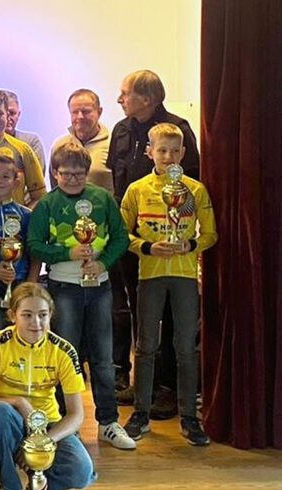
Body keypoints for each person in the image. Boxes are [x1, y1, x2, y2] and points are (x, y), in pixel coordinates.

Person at [26, 143, 134, 450]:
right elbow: (34, 244)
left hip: (99, 287)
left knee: (103, 358)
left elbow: (120, 238)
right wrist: (67, 253)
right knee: (66, 357)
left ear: (87, 173)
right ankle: (65, 423)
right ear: (54, 173)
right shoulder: (47, 204)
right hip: (63, 288)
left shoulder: (102, 199)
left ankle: (108, 422)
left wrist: (103, 263)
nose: (72, 179)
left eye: (78, 174)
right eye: (65, 174)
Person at [107, 70, 200, 417]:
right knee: (140, 309)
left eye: (125, 93)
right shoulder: (121, 129)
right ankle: (144, 382)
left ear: (147, 98)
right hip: (134, 239)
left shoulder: (178, 128)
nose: (120, 99)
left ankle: (168, 388)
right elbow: (118, 184)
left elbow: (192, 185)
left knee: (171, 316)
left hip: (170, 240)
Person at [120, 123, 217, 446]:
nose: (168, 156)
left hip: (185, 275)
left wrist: (191, 245)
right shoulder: (137, 189)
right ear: (150, 152)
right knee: (146, 346)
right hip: (149, 275)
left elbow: (211, 234)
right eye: (162, 150)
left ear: (184, 153)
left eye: (175, 151)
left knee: (185, 347)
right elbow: (122, 233)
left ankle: (189, 416)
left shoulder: (195, 190)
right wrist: (147, 247)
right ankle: (141, 413)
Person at [0, 283, 95, 490]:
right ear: (12, 315)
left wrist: (44, 443)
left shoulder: (63, 350)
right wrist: (18, 402)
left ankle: (41, 483)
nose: (35, 323)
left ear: (51, 315)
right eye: (27, 315)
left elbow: (76, 415)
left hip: (48, 425)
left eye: (42, 315)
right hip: (11, 420)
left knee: (82, 471)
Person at [0, 155, 40, 337]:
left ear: (16, 182)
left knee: (22, 336)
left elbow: (34, 253)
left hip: (20, 284)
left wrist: (30, 284)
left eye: (5, 176)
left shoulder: (26, 215)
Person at [50, 89, 112, 192]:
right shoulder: (59, 145)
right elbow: (55, 187)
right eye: (75, 112)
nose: (80, 116)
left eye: (86, 111)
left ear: (99, 112)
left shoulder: (113, 144)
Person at [4, 90, 46, 174]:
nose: (8, 118)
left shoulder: (31, 142)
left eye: (12, 113)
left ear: (18, 115)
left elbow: (37, 177)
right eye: (3, 113)